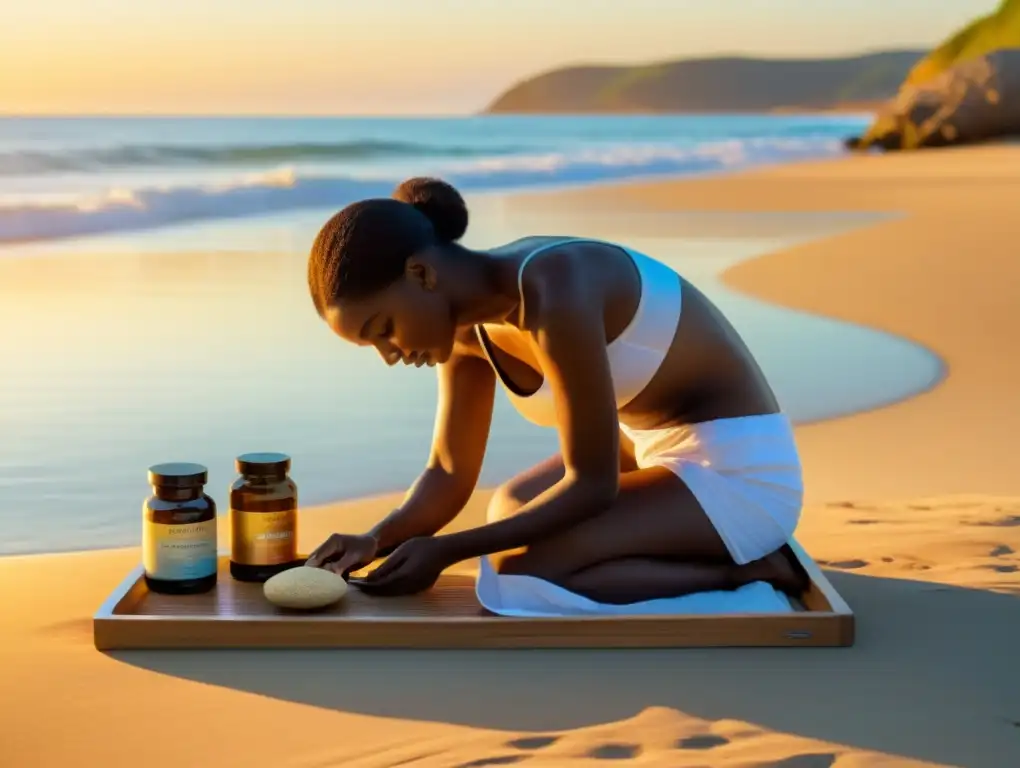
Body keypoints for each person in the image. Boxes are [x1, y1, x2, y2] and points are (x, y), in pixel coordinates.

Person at [304, 176, 807, 604]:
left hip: (738, 471)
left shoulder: (557, 286)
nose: (390, 354)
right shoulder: (464, 335)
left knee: (517, 573)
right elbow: (449, 472)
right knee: (511, 505)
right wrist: (374, 540)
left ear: (421, 274)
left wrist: (449, 549)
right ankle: (672, 545)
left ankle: (749, 572)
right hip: (647, 452)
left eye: (383, 328)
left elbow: (592, 484)